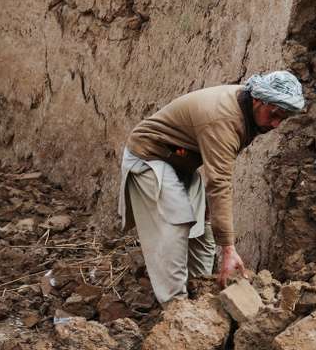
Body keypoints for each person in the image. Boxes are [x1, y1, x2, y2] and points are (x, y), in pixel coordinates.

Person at [118, 71, 305, 303]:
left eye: (283, 118)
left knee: (202, 230)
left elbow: (217, 171)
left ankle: (201, 292)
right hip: (151, 158)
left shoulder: (250, 112)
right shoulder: (224, 119)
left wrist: (214, 216)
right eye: (274, 114)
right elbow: (219, 182)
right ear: (259, 99)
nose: (276, 124)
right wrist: (228, 248)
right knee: (175, 226)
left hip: (182, 161)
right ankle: (176, 305)